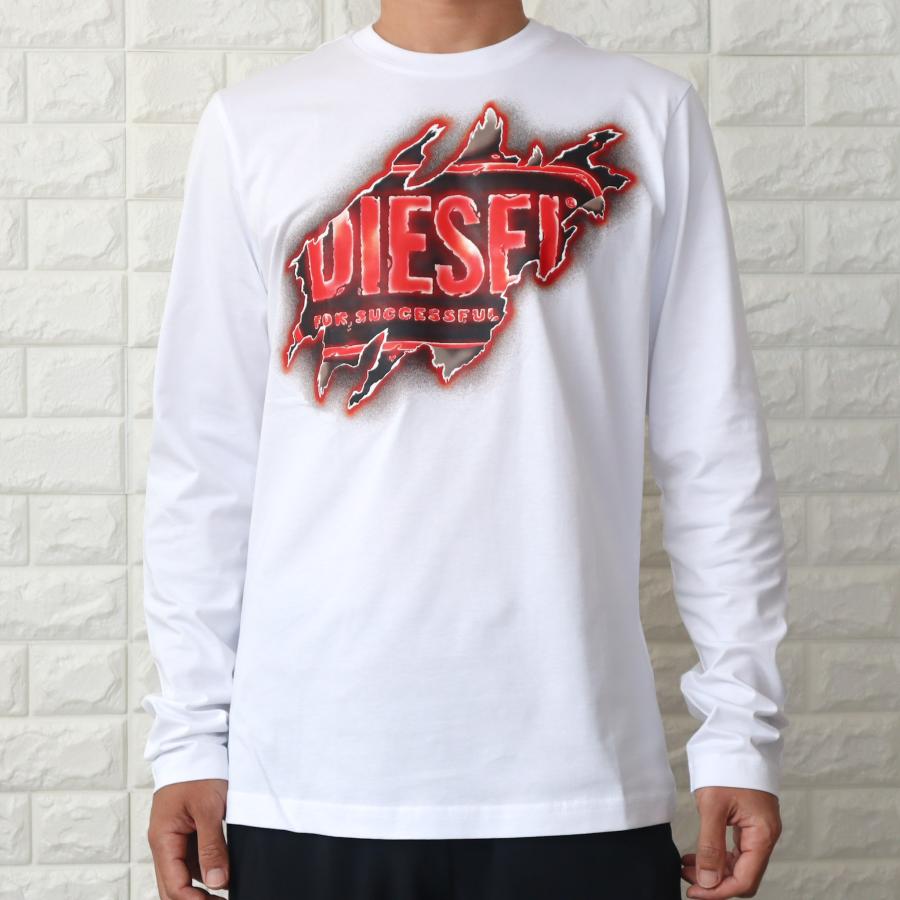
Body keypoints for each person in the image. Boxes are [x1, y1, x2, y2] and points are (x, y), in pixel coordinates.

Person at [141, 2, 789, 898]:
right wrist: (189, 736)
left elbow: (713, 449)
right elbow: (205, 461)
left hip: (576, 775)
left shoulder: (649, 114)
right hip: (310, 774)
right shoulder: (254, 124)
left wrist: (741, 733)